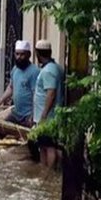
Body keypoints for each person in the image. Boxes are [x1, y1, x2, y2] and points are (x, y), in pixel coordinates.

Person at [32, 39, 65, 169]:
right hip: (48, 116)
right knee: (44, 145)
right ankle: (44, 169)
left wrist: (44, 115)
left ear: (37, 54)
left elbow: (51, 93)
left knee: (48, 146)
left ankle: (48, 172)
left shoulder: (48, 71)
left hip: (47, 117)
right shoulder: (56, 68)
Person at [0, 40, 41, 127]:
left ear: (29, 55)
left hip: (28, 115)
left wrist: (33, 115)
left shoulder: (34, 72)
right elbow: (11, 87)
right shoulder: (15, 69)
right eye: (17, 54)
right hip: (16, 113)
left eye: (22, 54)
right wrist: (1, 100)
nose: (19, 57)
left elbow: (36, 95)